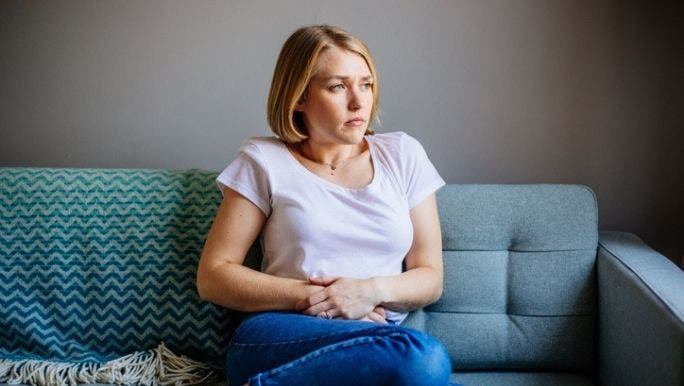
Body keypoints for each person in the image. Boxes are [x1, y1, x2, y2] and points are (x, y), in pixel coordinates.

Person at [197, 24, 455, 386]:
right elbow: (214, 275)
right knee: (424, 359)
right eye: (337, 87)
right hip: (279, 334)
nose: (358, 101)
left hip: (378, 343)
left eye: (365, 84)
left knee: (420, 364)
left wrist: (369, 292)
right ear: (298, 97)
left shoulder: (403, 154)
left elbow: (430, 278)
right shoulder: (264, 160)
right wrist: (327, 299)